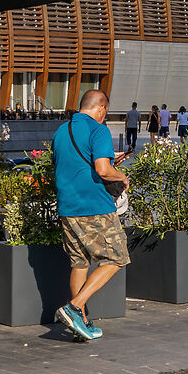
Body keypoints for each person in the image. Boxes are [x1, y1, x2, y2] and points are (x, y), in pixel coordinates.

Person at [50, 85, 129, 341]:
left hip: (67, 207)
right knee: (116, 258)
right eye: (105, 111)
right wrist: (122, 176)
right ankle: (74, 307)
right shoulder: (99, 129)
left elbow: (72, 163)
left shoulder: (62, 131)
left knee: (79, 262)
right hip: (94, 206)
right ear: (101, 108)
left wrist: (106, 160)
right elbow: (103, 171)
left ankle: (80, 323)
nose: (104, 116)